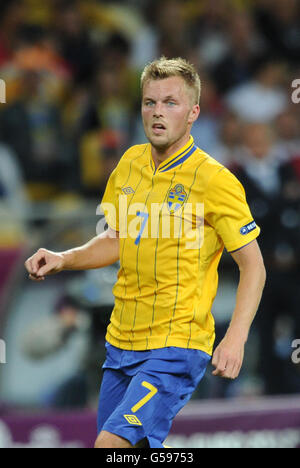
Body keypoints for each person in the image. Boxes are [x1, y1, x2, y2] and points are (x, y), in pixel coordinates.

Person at [25, 57, 266, 449]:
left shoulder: (215, 181)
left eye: (170, 103)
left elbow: (253, 265)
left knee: (110, 447)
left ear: (193, 113)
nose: (157, 112)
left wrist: (235, 337)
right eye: (149, 102)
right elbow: (116, 239)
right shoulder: (129, 164)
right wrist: (64, 258)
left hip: (176, 346)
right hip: (120, 343)